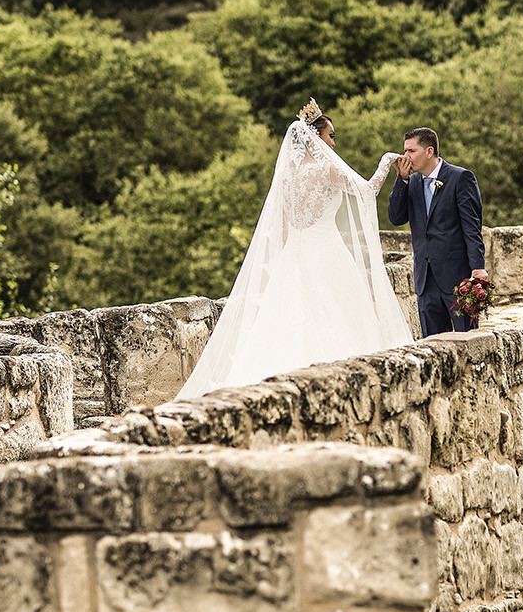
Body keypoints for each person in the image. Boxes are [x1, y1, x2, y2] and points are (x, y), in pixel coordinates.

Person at [176, 100, 409, 400]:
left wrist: (288, 263)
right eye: (330, 136)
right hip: (327, 253)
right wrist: (386, 161)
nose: (333, 143)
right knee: (337, 317)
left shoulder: (286, 176)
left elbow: (283, 229)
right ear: (315, 137)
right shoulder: (327, 170)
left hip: (293, 256)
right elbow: (368, 190)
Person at [387, 127, 488, 336]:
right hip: (425, 280)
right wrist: (402, 180)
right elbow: (396, 218)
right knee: (432, 346)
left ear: (429, 151)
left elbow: (472, 227)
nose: (405, 157)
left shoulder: (461, 178)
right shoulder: (412, 182)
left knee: (466, 341)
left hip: (457, 279)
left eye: (411, 151)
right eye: (404, 151)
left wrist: (478, 267)